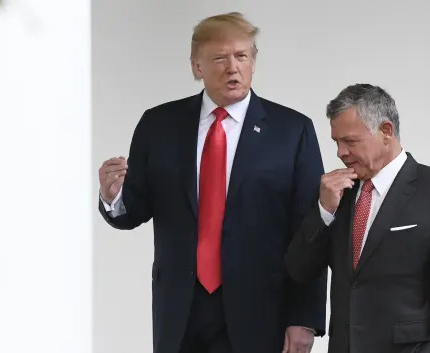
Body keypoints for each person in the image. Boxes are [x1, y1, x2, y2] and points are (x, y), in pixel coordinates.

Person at [97, 12, 326, 353]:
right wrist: (113, 197)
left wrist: (304, 317)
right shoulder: (159, 125)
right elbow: (135, 210)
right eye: (219, 58)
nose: (232, 67)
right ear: (196, 67)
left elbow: (311, 230)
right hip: (180, 309)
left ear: (253, 62)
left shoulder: (292, 131)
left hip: (261, 310)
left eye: (241, 56)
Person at [285, 84, 430, 353]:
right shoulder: (337, 195)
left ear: (386, 131)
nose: (341, 152)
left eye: (350, 141)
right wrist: (323, 211)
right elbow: (299, 270)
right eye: (336, 142)